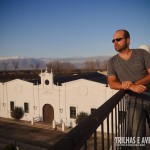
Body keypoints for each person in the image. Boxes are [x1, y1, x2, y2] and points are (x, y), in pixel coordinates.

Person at [107, 29, 150, 149]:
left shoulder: (142, 53)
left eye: (118, 39)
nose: (115, 42)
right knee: (137, 142)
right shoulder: (112, 61)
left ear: (128, 40)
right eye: (113, 40)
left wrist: (135, 84)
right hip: (134, 103)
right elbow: (111, 83)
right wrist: (130, 87)